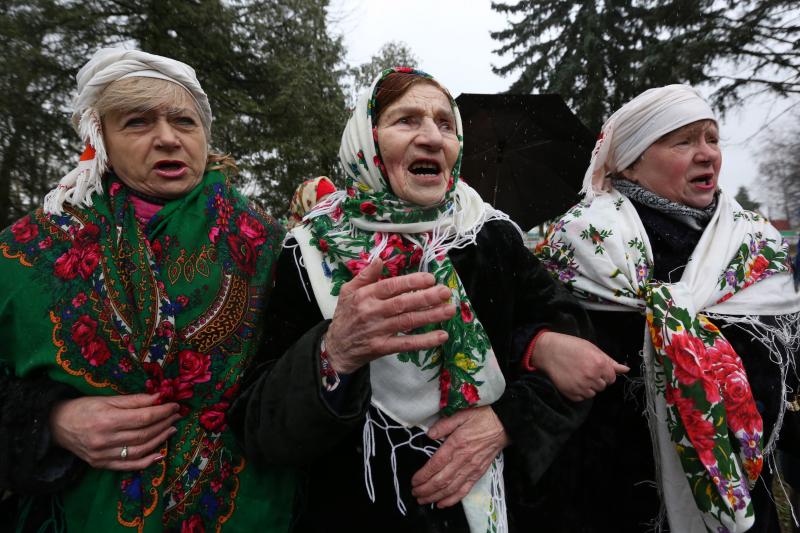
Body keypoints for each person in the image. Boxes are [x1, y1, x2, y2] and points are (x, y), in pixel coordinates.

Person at [229, 67, 624, 532]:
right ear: (367, 141)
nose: (432, 138)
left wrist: (505, 420)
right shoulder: (309, 251)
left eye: (445, 124)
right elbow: (260, 427)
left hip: (497, 506)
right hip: (359, 511)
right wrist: (335, 351)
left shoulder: (491, 236)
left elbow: (573, 362)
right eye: (407, 121)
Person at [0, 48, 294, 531]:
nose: (167, 138)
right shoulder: (29, 253)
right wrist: (50, 423)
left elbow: (305, 387)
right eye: (137, 123)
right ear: (101, 139)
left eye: (184, 121)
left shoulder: (274, 250)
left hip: (251, 511)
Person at [534, 84, 800, 533]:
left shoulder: (756, 249)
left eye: (712, 139)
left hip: (745, 507)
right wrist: (538, 346)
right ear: (632, 163)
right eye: (683, 141)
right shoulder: (578, 249)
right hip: (608, 507)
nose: (707, 154)